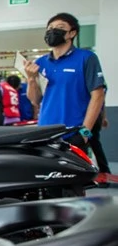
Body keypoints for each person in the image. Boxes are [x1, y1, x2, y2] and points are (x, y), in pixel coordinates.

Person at [24, 12, 105, 151]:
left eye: (60, 27)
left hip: (73, 133)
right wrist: (31, 79)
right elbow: (35, 100)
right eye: (50, 28)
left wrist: (85, 134)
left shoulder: (86, 58)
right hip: (45, 133)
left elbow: (98, 96)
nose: (53, 31)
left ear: (72, 33)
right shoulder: (40, 63)